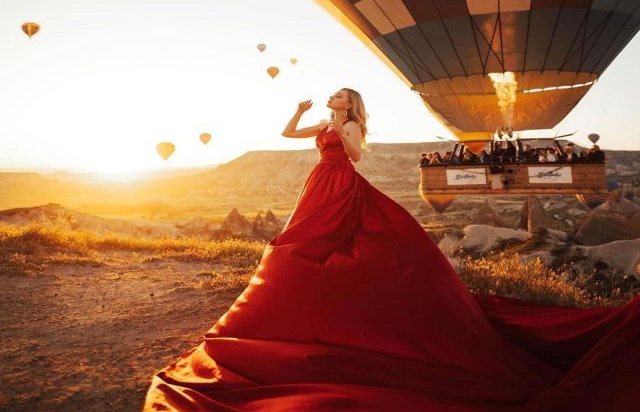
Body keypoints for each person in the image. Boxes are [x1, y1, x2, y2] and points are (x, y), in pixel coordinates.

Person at [144, 88, 640, 411]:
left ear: (351, 104)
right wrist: (301, 112)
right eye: (333, 96)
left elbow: (356, 155)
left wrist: (341, 127)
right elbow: (287, 135)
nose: (333, 96)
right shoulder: (322, 122)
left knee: (328, 240)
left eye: (340, 96)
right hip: (321, 179)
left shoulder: (350, 126)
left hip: (341, 180)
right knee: (299, 242)